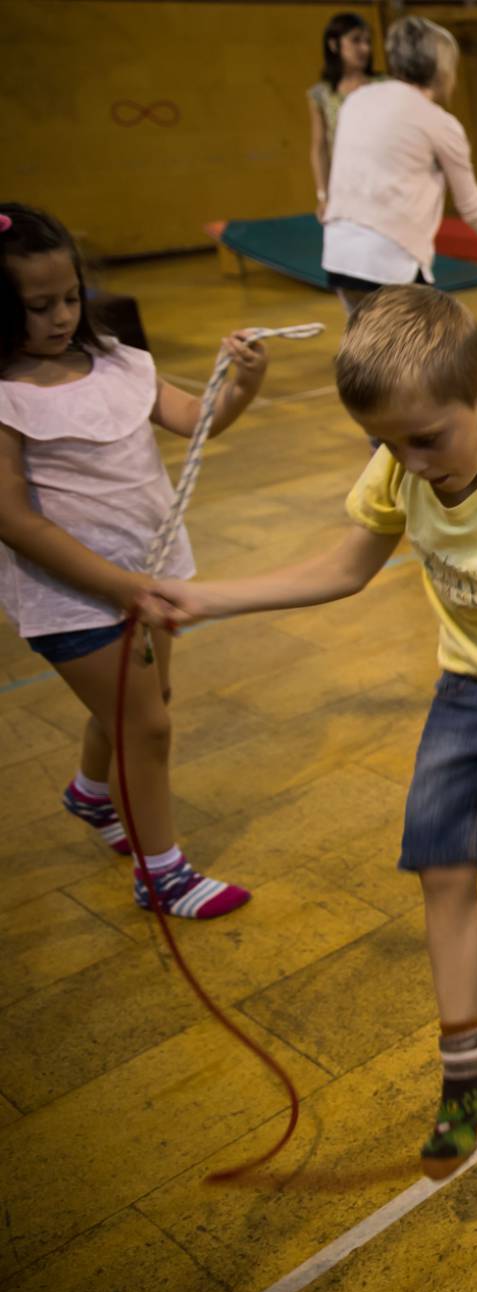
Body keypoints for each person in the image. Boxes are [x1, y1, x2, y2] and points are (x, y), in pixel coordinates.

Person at [156, 286, 477, 1179]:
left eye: (426, 439)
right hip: (467, 683)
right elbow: (345, 566)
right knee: (442, 868)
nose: (409, 463)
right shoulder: (399, 465)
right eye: (385, 442)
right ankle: (468, 1063)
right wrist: (207, 597)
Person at [0, 204, 263, 920]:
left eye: (69, 297)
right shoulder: (5, 397)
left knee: (135, 709)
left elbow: (196, 418)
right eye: (38, 306)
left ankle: (91, 792)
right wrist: (121, 586)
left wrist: (241, 382)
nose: (60, 316)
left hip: (149, 576)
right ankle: (163, 874)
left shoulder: (116, 360)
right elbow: (13, 519)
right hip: (75, 596)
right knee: (144, 726)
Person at [320, 16, 477, 313]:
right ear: (441, 68)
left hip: (338, 255)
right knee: (417, 354)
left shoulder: (356, 100)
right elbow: (472, 208)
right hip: (388, 261)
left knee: (369, 350)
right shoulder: (440, 123)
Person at [307, 12, 383, 222]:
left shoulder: (384, 85)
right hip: (346, 187)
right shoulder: (321, 94)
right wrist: (323, 196)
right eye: (356, 40)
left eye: (368, 41)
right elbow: (320, 147)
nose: (365, 48)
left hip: (384, 183)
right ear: (334, 44)